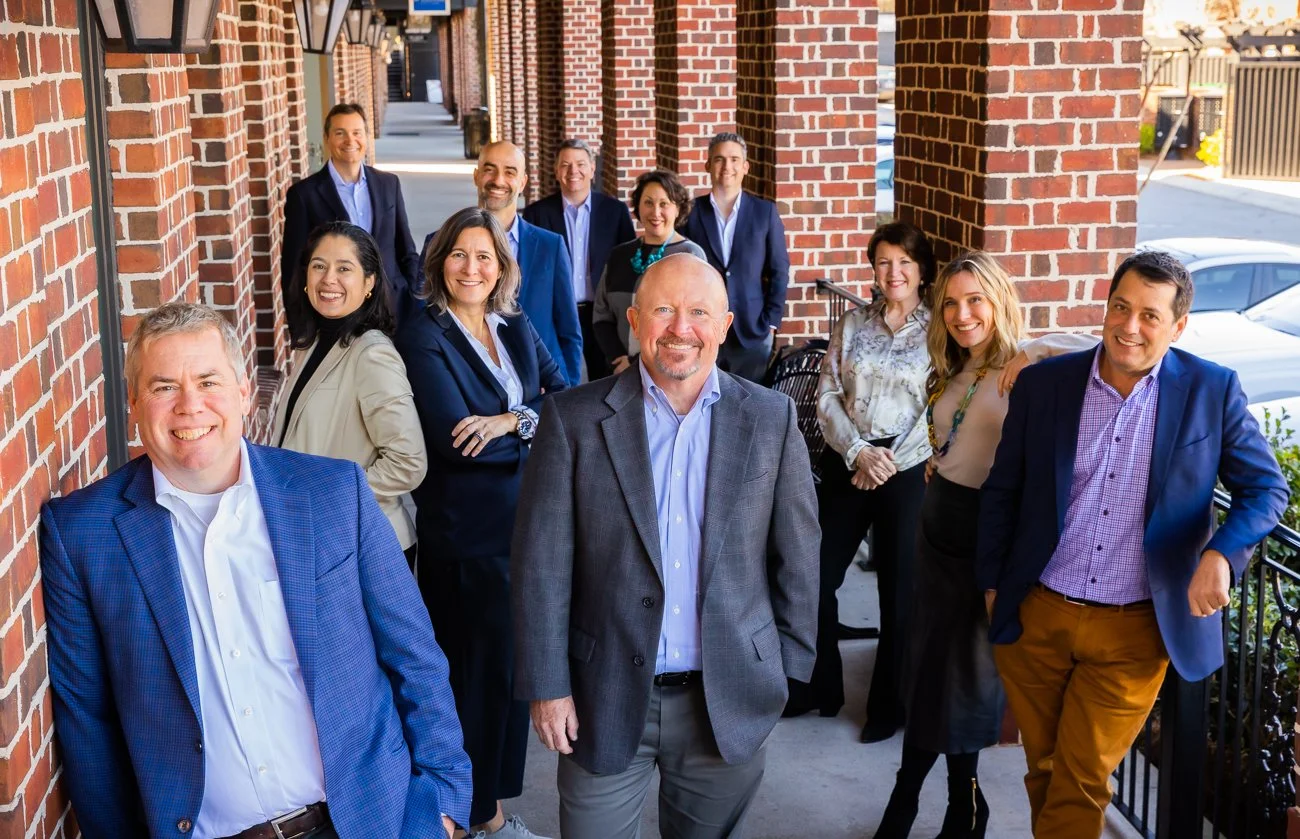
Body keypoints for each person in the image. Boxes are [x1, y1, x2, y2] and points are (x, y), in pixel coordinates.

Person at [40, 302, 470, 839]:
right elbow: (88, 720)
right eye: (163, 387)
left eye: (208, 381)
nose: (190, 406)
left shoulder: (334, 493)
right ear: (133, 403)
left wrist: (443, 806)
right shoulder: (83, 532)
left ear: (244, 391)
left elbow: (415, 657)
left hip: (372, 819)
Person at [978, 250, 1289, 839]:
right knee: (1045, 769)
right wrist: (994, 586)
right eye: (1120, 307)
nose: (1129, 326)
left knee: (1080, 780)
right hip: (1037, 613)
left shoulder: (1210, 390)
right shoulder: (1046, 384)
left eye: (1150, 315)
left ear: (1178, 326)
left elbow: (1266, 489)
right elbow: (1003, 491)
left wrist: (1221, 555)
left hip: (1135, 631)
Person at [511, 252, 820, 839]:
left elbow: (799, 553)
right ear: (634, 320)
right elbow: (540, 566)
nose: (681, 328)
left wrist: (783, 671)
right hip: (601, 694)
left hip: (725, 700)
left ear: (725, 326)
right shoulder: (572, 419)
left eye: (699, 312)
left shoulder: (770, 419)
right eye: (664, 310)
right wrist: (548, 686)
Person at [874, 252, 1095, 839]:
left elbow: (1100, 345)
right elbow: (951, 434)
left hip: (985, 543)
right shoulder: (952, 368)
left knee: (964, 682)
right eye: (950, 302)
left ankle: (927, 804)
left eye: (975, 300)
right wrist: (939, 462)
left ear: (999, 301)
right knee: (925, 672)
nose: (961, 313)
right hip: (936, 529)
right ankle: (956, 807)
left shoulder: (1028, 369)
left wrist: (1028, 349)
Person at [396, 207, 567, 839]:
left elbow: (564, 396)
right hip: (466, 539)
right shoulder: (424, 335)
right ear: (440, 262)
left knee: (508, 677)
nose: (473, 267)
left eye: (485, 257)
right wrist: (527, 424)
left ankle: (488, 808)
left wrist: (508, 421)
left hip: (525, 529)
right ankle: (469, 817)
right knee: (469, 681)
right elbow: (453, 442)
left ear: (502, 268)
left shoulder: (514, 325)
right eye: (460, 255)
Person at [785, 223, 936, 739]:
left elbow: (941, 408)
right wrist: (858, 451)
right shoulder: (852, 323)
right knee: (814, 577)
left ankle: (888, 708)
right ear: (873, 269)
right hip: (848, 461)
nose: (893, 272)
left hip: (906, 469)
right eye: (884, 262)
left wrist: (890, 460)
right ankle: (816, 686)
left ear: (921, 271)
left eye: (904, 263)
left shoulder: (938, 330)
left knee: (900, 591)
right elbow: (826, 393)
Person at [273, 221, 426, 567]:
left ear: (369, 282)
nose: (329, 279)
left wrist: (329, 495)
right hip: (319, 537)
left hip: (365, 546)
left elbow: (409, 463)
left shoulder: (372, 354)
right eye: (319, 266)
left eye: (345, 268)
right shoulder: (312, 343)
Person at [423, 141, 584, 386]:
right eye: (489, 169)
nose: (498, 180)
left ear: (523, 182)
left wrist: (568, 392)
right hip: (470, 385)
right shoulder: (438, 242)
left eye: (510, 172)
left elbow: (569, 332)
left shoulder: (551, 246)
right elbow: (425, 316)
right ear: (476, 176)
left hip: (544, 389)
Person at [282, 103, 423, 333]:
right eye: (340, 133)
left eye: (357, 133)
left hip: (392, 309)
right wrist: (300, 331)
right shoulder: (304, 195)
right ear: (327, 138)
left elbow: (406, 250)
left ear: (366, 137)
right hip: (334, 313)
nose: (350, 140)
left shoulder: (388, 184)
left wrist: (414, 301)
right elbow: (293, 269)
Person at [522, 138, 637, 380]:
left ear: (593, 169)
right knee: (560, 379)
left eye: (581, 164)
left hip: (602, 315)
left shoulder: (614, 211)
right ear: (556, 171)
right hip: (557, 313)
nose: (573, 171)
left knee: (606, 380)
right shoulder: (537, 213)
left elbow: (628, 264)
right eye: (565, 165)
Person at [680, 132, 790, 382]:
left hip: (752, 330)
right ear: (708, 165)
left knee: (750, 405)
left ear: (745, 167)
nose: (726, 166)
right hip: (702, 329)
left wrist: (771, 322)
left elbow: (779, 270)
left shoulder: (764, 212)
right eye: (719, 159)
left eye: (733, 159)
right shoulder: (691, 213)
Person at [591, 169, 706, 375]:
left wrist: (636, 361)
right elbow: (602, 314)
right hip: (620, 371)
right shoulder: (619, 255)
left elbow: (695, 319)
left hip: (670, 370)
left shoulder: (690, 256)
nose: (655, 212)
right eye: (648, 202)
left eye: (664, 204)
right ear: (638, 207)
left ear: (678, 209)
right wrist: (619, 360)